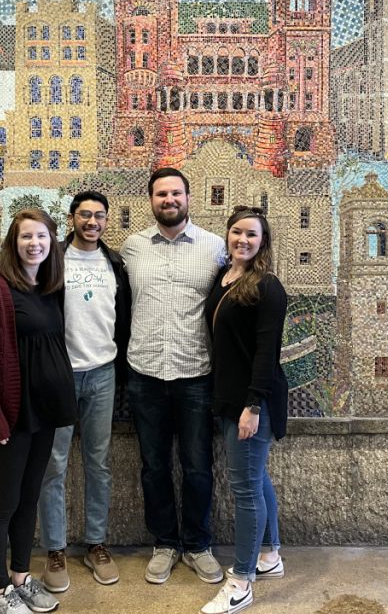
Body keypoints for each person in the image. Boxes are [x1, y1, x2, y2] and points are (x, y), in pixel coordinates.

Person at [0, 209, 76, 614]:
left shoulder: (49, 289)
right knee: (4, 505)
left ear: (52, 243)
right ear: (13, 244)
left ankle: (20, 578)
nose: (35, 244)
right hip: (9, 419)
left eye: (42, 237)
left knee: (30, 499)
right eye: (26, 237)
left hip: (43, 416)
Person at [120, 167, 227, 585]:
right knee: (154, 465)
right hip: (145, 373)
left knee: (198, 466)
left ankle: (198, 544)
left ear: (188, 196)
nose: (170, 200)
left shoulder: (215, 247)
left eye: (176, 193)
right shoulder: (132, 248)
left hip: (196, 373)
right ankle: (165, 543)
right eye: (162, 194)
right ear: (151, 200)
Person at [38, 191, 131, 592]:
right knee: (54, 464)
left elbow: (121, 317)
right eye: (85, 215)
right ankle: (55, 549)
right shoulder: (52, 259)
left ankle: (96, 543)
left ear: (107, 221)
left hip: (103, 373)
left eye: (99, 216)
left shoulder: (115, 264)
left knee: (99, 462)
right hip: (61, 375)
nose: (92, 221)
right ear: (72, 218)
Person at [200, 206, 289, 614]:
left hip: (252, 401)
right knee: (256, 478)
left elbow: (267, 352)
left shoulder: (267, 287)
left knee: (245, 488)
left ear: (263, 242)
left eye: (252, 235)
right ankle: (269, 556)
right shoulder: (224, 279)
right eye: (237, 232)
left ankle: (241, 581)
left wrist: (252, 405)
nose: (243, 240)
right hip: (227, 396)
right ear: (228, 235)